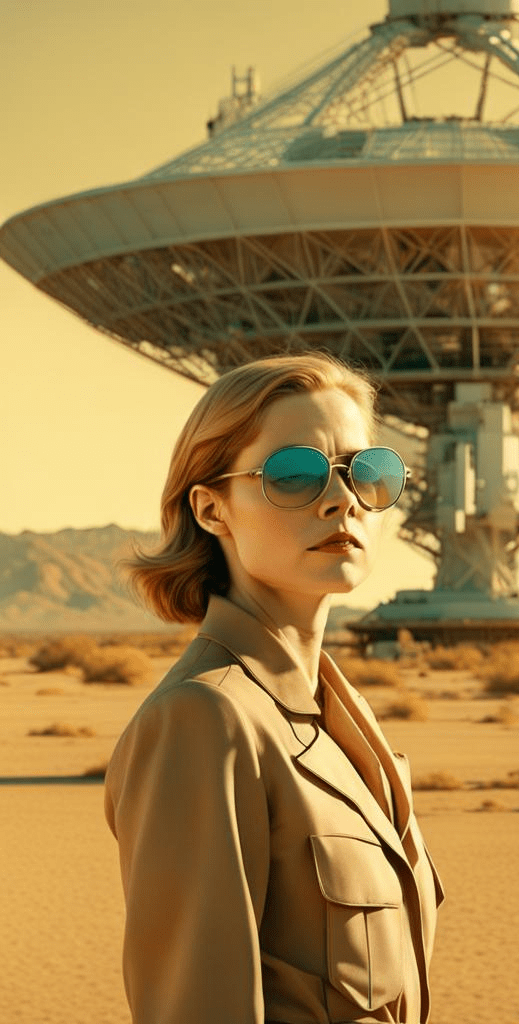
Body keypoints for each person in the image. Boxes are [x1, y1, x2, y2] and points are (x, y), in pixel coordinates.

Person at [104, 353, 444, 1024]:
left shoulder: (341, 725)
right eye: (294, 474)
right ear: (210, 508)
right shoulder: (205, 720)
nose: (341, 498)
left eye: (367, 473)